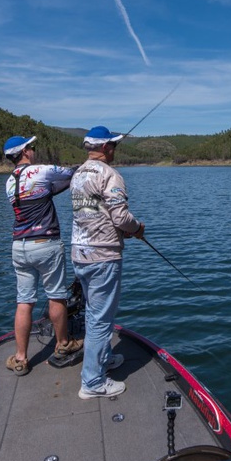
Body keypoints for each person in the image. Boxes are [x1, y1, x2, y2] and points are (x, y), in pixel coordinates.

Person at [70, 126, 145, 399]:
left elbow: (92, 212)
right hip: (103, 256)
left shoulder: (78, 173)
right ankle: (92, 383)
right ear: (105, 148)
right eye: (113, 145)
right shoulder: (110, 175)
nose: (115, 150)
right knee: (101, 320)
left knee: (93, 313)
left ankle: (103, 359)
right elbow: (121, 217)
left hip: (79, 254)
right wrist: (138, 229)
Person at [3, 135, 82, 376]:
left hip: (19, 247)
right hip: (45, 243)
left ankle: (20, 358)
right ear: (25, 152)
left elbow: (48, 191)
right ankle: (63, 344)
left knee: (24, 301)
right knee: (56, 296)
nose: (33, 150)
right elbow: (71, 173)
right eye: (31, 147)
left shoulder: (9, 182)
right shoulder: (41, 170)